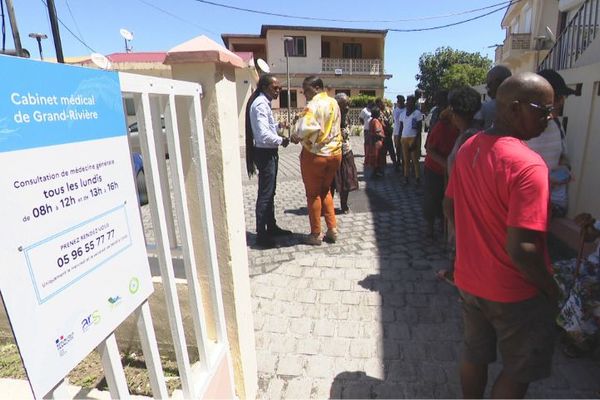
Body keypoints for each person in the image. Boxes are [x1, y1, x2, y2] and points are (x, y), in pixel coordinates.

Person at [444, 73, 559, 399]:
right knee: (517, 370)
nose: (549, 117)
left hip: (470, 282)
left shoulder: (468, 148)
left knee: (474, 354)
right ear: (515, 107)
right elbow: (522, 249)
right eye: (543, 109)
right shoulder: (528, 166)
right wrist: (551, 288)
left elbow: (449, 206)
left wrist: (466, 251)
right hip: (514, 290)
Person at [435, 86, 482, 284]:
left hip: (462, 198)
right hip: (469, 197)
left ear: (454, 113)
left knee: (460, 239)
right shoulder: (477, 134)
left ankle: (460, 276)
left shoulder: (467, 138)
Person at [291, 76, 342, 245]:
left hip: (315, 155)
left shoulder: (312, 105)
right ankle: (332, 229)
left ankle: (315, 234)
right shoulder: (334, 102)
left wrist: (295, 135)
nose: (304, 93)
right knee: (326, 190)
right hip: (335, 154)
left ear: (317, 87)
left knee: (313, 195)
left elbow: (304, 127)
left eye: (306, 89)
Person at [245, 74, 291, 248]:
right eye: (275, 88)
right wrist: (282, 140)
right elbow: (263, 135)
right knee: (265, 194)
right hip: (265, 154)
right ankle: (261, 235)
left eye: (279, 88)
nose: (278, 91)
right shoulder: (260, 105)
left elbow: (266, 128)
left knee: (270, 192)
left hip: (268, 152)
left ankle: (271, 226)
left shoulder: (264, 102)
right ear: (265, 87)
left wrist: (279, 128)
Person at [527, 69, 575, 218]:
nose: (562, 102)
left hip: (553, 205)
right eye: (559, 97)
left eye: (562, 97)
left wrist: (563, 173)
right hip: (529, 205)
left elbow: (563, 159)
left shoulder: (556, 125)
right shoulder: (521, 130)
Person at [422, 100, 459, 239]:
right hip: (435, 169)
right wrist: (445, 163)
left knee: (448, 199)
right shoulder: (440, 127)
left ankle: (445, 227)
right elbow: (429, 150)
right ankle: (429, 227)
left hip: (452, 171)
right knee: (431, 198)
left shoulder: (462, 129)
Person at [331, 93, 359, 213]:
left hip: (346, 151)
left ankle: (344, 204)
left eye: (348, 104)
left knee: (347, 179)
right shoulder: (331, 118)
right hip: (333, 152)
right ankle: (328, 205)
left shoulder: (346, 117)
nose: (347, 107)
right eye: (343, 105)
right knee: (331, 182)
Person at [474, 65, 512, 129]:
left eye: (489, 84)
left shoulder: (485, 108)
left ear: (497, 82)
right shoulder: (522, 108)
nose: (488, 89)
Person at [398, 95, 423, 184]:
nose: (409, 103)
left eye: (411, 102)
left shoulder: (417, 113)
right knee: (405, 159)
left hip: (413, 138)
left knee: (415, 160)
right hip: (404, 138)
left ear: (414, 103)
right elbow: (401, 128)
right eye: (408, 102)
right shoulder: (402, 114)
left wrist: (416, 140)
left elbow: (419, 129)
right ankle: (406, 177)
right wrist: (399, 140)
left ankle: (417, 178)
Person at [364, 106, 386, 178]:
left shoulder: (371, 120)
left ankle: (376, 172)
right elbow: (377, 132)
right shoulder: (375, 121)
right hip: (377, 142)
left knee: (375, 157)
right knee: (377, 157)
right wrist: (383, 136)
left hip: (373, 142)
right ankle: (376, 173)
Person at [376, 97, 397, 168]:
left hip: (388, 133)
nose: (383, 104)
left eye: (384, 102)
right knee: (382, 151)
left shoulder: (388, 110)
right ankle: (382, 166)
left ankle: (395, 164)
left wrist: (387, 126)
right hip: (381, 133)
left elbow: (391, 121)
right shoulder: (377, 111)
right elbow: (380, 122)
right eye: (381, 103)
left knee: (391, 150)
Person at [392, 95, 406, 171]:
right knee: (397, 147)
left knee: (403, 148)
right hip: (396, 132)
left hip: (404, 132)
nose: (399, 102)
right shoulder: (395, 110)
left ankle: (404, 162)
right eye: (398, 101)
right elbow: (394, 120)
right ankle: (398, 161)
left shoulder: (406, 110)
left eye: (401, 101)